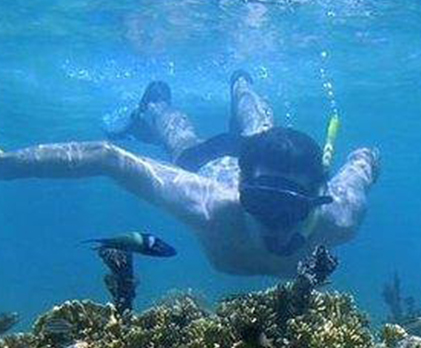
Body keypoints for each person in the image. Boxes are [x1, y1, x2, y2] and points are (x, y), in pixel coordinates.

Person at [0, 71, 379, 276]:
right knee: (185, 146)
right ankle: (163, 106)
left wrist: (368, 158)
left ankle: (242, 85)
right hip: (217, 168)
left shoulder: (340, 217)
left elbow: (364, 161)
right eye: (261, 201)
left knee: (262, 133)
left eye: (292, 207)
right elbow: (107, 157)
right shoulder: (210, 205)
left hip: (268, 167)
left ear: (317, 199)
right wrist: (7, 165)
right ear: (243, 190)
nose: (274, 223)